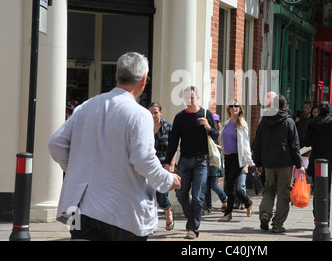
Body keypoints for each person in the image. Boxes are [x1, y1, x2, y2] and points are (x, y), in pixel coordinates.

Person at [48, 52, 181, 241]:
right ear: (143, 80)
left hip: (79, 208)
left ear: (117, 76)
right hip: (122, 211)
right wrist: (168, 180)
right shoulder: (140, 114)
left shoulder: (85, 106)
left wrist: (78, 169)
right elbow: (144, 160)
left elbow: (55, 143)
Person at [165, 86, 219, 239]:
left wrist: (208, 126)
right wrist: (169, 163)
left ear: (198, 97)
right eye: (187, 97)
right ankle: (192, 218)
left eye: (193, 97)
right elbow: (174, 142)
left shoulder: (206, 114)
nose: (190, 99)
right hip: (184, 161)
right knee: (181, 194)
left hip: (202, 161)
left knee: (198, 196)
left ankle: (192, 229)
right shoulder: (180, 117)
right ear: (184, 99)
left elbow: (215, 136)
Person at [253, 94, 305, 233]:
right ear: (284, 106)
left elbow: (257, 144)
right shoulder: (289, 122)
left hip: (268, 163)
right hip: (285, 163)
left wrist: (258, 163)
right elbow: (294, 145)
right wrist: (299, 165)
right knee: (283, 193)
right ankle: (277, 224)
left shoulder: (264, 121)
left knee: (269, 189)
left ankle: (265, 213)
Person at [304, 101, 332, 218]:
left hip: (316, 160)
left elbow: (307, 142)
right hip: (330, 160)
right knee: (329, 190)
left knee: (317, 190)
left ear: (319, 110)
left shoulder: (312, 123)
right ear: (330, 110)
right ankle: (327, 216)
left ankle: (317, 216)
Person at [218, 100, 254, 222]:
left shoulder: (242, 124)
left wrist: (249, 161)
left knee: (231, 184)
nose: (234, 108)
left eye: (236, 106)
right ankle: (247, 202)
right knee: (230, 185)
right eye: (232, 106)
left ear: (240, 109)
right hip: (227, 157)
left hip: (238, 157)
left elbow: (245, 143)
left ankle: (228, 214)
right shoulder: (227, 123)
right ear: (229, 109)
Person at [148, 102, 176, 231]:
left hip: (164, 163)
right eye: (151, 112)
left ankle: (168, 211)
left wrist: (170, 164)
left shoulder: (168, 127)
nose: (153, 115)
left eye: (155, 112)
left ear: (161, 112)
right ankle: (151, 224)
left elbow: (173, 148)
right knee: (148, 195)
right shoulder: (144, 126)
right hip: (148, 163)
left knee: (161, 196)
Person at [204, 113, 227, 214]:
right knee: (206, 185)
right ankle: (208, 206)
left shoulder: (220, 134)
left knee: (213, 184)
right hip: (206, 160)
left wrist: (213, 145)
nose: (212, 123)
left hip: (216, 161)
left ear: (218, 123)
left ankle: (223, 198)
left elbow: (224, 148)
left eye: (215, 122)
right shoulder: (207, 132)